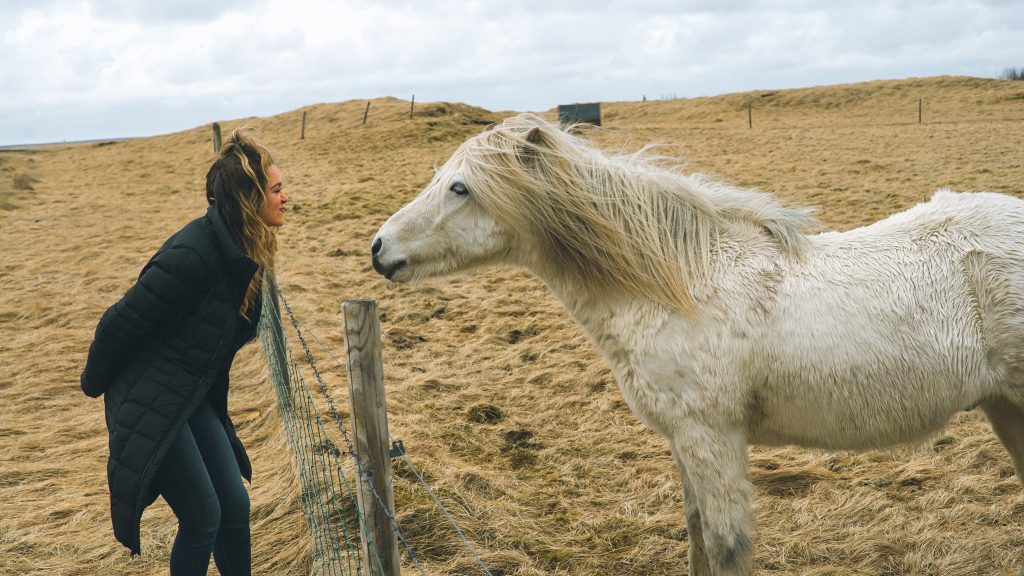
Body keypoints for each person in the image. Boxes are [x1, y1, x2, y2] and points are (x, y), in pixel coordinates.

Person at [80, 129, 288, 575]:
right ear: (249, 199)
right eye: (276, 189)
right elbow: (117, 323)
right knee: (203, 516)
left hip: (187, 394)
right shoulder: (191, 255)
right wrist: (94, 385)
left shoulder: (243, 252)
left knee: (233, 503)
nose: (286, 197)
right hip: (148, 396)